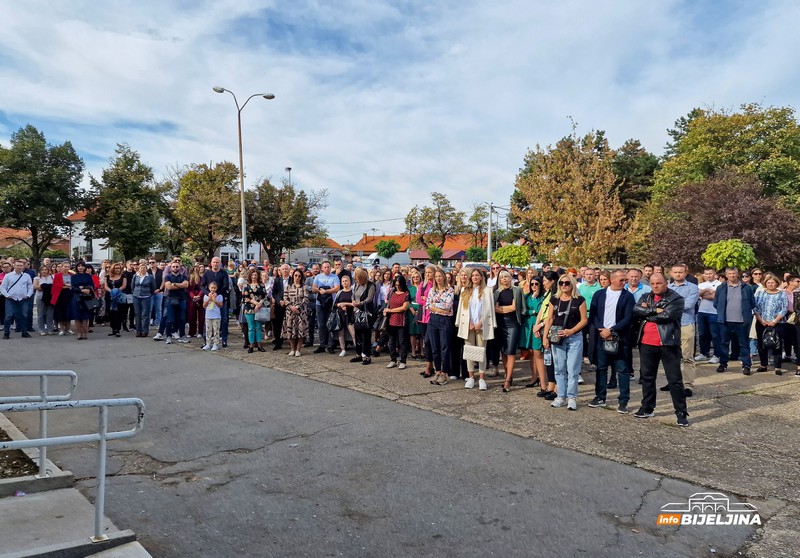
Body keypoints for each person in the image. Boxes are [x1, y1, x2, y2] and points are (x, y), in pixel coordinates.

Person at [632, 273, 689, 427]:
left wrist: (647, 312)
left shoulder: (676, 298)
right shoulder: (645, 295)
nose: (656, 286)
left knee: (674, 380)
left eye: (659, 283)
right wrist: (655, 310)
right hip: (646, 343)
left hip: (667, 343)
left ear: (666, 283)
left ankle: (681, 412)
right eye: (653, 283)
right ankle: (647, 407)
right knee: (647, 377)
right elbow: (636, 310)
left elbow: (668, 316)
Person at [588, 270, 635, 413]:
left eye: (624, 280)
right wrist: (601, 329)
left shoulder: (628, 297)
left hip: (619, 338)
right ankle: (600, 397)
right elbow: (594, 314)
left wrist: (612, 330)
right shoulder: (600, 294)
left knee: (622, 369)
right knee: (601, 368)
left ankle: (623, 401)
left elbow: (628, 317)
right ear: (612, 279)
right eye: (621, 280)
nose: (624, 282)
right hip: (601, 337)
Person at [543, 274, 588, 411]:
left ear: (572, 284)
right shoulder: (554, 299)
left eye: (567, 283)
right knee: (559, 368)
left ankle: (572, 397)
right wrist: (545, 336)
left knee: (572, 369)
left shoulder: (579, 300)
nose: (564, 285)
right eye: (561, 283)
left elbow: (584, 320)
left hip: (574, 337)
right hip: (557, 336)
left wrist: (572, 331)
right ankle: (560, 396)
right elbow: (549, 319)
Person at [456, 267, 496, 390]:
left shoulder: (487, 290)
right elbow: (461, 309)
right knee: (469, 351)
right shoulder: (465, 290)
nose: (475, 277)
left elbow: (489, 309)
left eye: (477, 275)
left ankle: (482, 378)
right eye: (473, 275)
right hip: (468, 325)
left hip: (481, 325)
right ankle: (471, 377)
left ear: (481, 277)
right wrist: (466, 323)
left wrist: (481, 322)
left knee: (481, 351)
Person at [713, 267, 756, 375]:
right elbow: (716, 303)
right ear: (726, 275)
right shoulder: (721, 288)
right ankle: (723, 364)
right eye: (730, 274)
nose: (732, 275)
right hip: (725, 321)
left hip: (742, 321)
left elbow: (752, 303)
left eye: (734, 273)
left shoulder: (746, 288)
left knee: (744, 344)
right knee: (724, 343)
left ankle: (746, 365)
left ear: (737, 274)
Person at [666, 264, 699, 396]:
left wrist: (669, 305)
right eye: (675, 272)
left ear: (686, 273)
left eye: (680, 272)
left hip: (686, 324)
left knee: (687, 356)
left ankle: (688, 385)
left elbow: (688, 304)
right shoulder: (667, 287)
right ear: (671, 273)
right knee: (670, 356)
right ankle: (673, 382)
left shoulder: (693, 288)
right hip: (669, 325)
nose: (678, 274)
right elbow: (661, 303)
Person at [494, 270, 523, 393]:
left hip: (512, 324)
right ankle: (508, 376)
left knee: (511, 352)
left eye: (506, 277)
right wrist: (506, 308)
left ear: (511, 278)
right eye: (502, 277)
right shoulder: (497, 292)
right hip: (500, 324)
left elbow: (515, 307)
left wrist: (502, 308)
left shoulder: (517, 290)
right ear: (499, 280)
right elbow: (495, 309)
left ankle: (507, 381)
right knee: (504, 352)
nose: (504, 279)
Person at [753, 272, 788, 375]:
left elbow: (784, 309)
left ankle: (777, 366)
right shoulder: (760, 293)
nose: (770, 284)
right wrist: (761, 320)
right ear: (765, 283)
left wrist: (774, 321)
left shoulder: (782, 294)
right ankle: (763, 364)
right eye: (768, 283)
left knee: (776, 344)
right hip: (762, 322)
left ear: (776, 283)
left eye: (772, 283)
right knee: (761, 344)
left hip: (777, 323)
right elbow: (755, 307)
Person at [426, 267, 455, 386]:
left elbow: (448, 306)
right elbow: (428, 305)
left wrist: (435, 306)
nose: (438, 278)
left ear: (444, 277)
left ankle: (444, 372)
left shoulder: (450, 290)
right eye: (436, 276)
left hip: (445, 320)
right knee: (434, 347)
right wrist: (439, 308)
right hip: (433, 320)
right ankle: (437, 371)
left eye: (439, 276)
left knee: (445, 347)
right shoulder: (432, 291)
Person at [535, 270, 560, 400]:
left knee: (556, 359)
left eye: (545, 281)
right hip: (544, 328)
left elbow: (553, 316)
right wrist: (536, 324)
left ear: (552, 281)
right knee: (548, 359)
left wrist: (541, 325)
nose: (543, 283)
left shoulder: (557, 295)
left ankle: (557, 387)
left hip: (553, 329)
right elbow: (541, 311)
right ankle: (550, 385)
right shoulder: (547, 294)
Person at [519, 276, 546, 390]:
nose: (534, 286)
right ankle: (534, 376)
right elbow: (523, 310)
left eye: (536, 284)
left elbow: (541, 310)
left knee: (538, 352)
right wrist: (531, 311)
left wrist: (535, 304)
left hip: (538, 324)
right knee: (530, 352)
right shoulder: (527, 296)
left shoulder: (543, 297)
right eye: (532, 284)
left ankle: (543, 378)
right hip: (528, 325)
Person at [202, 257, 231, 348]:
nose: (215, 264)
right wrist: (208, 293)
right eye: (214, 262)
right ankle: (207, 342)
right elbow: (202, 286)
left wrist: (216, 293)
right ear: (211, 263)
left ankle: (224, 340)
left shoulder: (224, 273)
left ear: (220, 263)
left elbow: (226, 285)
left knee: (224, 320)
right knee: (208, 321)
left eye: (217, 262)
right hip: (209, 299)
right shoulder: (207, 273)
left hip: (220, 298)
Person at [312, 261, 341, 354]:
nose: (327, 269)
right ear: (322, 268)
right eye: (325, 267)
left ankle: (330, 345)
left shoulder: (335, 277)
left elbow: (337, 288)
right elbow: (313, 289)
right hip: (319, 304)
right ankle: (321, 345)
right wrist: (320, 290)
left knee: (330, 324)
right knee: (321, 325)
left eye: (328, 267)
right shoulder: (318, 277)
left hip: (330, 304)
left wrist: (326, 291)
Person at [383, 274, 411, 369]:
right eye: (396, 285)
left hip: (401, 320)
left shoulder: (406, 293)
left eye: (399, 285)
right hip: (391, 320)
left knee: (402, 341)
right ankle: (393, 359)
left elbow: (404, 307)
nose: (398, 286)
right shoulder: (392, 292)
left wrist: (390, 310)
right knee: (391, 341)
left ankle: (403, 360)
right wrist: (386, 311)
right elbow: (388, 304)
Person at [1, 260, 34, 339]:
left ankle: (24, 332)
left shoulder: (27, 276)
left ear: (23, 267)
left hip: (23, 299)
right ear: (14, 266)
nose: (19, 267)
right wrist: (7, 295)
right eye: (17, 265)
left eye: (21, 266)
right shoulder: (8, 276)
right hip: (11, 299)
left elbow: (30, 287)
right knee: (8, 316)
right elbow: (2, 287)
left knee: (24, 315)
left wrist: (28, 295)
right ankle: (6, 333)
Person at [696, 267, 722, 364]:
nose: (708, 275)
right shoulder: (702, 285)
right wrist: (706, 290)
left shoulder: (720, 285)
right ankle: (703, 353)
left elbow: (714, 296)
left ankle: (716, 355)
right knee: (702, 333)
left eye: (710, 273)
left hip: (714, 312)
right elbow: (698, 295)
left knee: (715, 335)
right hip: (702, 311)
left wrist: (703, 295)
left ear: (714, 274)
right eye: (706, 274)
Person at [351, 267, 377, 365]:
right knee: (357, 335)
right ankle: (358, 354)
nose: (356, 280)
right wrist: (353, 302)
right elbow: (353, 295)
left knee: (366, 336)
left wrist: (360, 303)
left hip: (366, 313)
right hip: (356, 312)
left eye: (357, 278)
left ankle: (367, 356)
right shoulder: (355, 285)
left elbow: (370, 298)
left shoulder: (370, 285)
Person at [281, 269, 309, 357]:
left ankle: (298, 349)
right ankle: (292, 349)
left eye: (299, 276)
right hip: (290, 312)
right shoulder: (288, 287)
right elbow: (285, 299)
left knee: (300, 330)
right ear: (293, 276)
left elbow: (306, 299)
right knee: (291, 330)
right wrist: (291, 307)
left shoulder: (304, 287)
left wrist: (297, 307)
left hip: (301, 312)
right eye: (295, 275)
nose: (297, 277)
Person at [416, 265, 436, 377]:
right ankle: (429, 365)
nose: (427, 274)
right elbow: (418, 299)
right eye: (426, 273)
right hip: (423, 317)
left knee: (430, 341)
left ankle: (430, 366)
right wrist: (426, 299)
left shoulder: (435, 285)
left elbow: (435, 300)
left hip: (432, 317)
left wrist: (426, 299)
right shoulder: (422, 285)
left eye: (430, 272)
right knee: (426, 342)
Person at [163, 260, 189, 345]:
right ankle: (168, 336)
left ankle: (182, 335)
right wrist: (179, 285)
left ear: (180, 267)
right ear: (170, 268)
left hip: (181, 299)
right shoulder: (167, 277)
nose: (175, 268)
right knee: (170, 319)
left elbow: (186, 285)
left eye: (177, 266)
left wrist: (174, 284)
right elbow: (168, 287)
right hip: (170, 300)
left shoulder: (184, 276)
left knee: (182, 319)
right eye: (173, 266)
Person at [242, 268, 267, 353]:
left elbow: (265, 296)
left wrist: (260, 303)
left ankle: (259, 344)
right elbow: (246, 298)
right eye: (252, 275)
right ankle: (251, 345)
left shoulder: (262, 285)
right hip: (249, 309)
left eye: (255, 275)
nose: (254, 277)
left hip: (259, 309)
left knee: (258, 327)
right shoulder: (246, 285)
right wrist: (256, 303)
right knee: (251, 328)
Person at [70, 261, 95, 340]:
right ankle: (79, 333)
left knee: (85, 316)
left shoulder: (88, 276)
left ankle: (85, 332)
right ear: (77, 267)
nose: (80, 267)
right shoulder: (74, 276)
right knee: (77, 316)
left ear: (85, 267)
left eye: (82, 266)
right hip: (76, 297)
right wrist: (81, 290)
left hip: (86, 297)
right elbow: (73, 287)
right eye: (79, 266)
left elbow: (92, 286)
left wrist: (84, 288)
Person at [334, 274, 356, 357]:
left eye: (346, 281)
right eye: (343, 281)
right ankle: (343, 349)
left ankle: (358, 348)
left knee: (353, 334)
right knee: (341, 333)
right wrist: (339, 305)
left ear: (350, 282)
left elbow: (354, 303)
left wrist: (346, 304)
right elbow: (335, 304)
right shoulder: (340, 292)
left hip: (350, 315)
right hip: (341, 315)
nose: (344, 283)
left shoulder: (353, 292)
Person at [131, 262, 156, 337]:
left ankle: (145, 331)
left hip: (146, 297)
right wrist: (135, 293)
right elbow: (132, 286)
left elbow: (153, 287)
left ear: (146, 269)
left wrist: (148, 293)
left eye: (144, 268)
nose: (142, 269)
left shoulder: (150, 277)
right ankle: (138, 331)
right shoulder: (135, 276)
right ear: (139, 269)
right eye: (141, 268)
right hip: (136, 296)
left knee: (145, 314)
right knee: (137, 314)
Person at [104, 263, 127, 337]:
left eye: (119, 268)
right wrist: (111, 291)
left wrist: (116, 291)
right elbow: (105, 286)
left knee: (118, 313)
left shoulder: (123, 276)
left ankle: (117, 329)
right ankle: (113, 329)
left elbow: (124, 285)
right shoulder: (107, 276)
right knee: (110, 313)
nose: (117, 270)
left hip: (119, 296)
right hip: (109, 296)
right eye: (116, 268)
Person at [271, 264, 291, 351]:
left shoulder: (293, 280)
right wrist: (279, 301)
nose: (285, 271)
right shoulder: (277, 280)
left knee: (290, 324)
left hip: (290, 304)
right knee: (277, 324)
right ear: (280, 271)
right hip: (279, 305)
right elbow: (274, 293)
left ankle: (291, 342)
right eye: (283, 269)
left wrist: (288, 302)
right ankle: (278, 342)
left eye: (286, 269)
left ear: (289, 270)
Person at [202, 282, 224, 351]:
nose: (213, 289)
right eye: (212, 288)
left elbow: (221, 305)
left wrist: (215, 301)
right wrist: (209, 299)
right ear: (209, 288)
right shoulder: (206, 296)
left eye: (214, 288)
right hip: (208, 315)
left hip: (216, 315)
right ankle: (208, 344)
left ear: (216, 288)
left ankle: (216, 344)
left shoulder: (219, 296)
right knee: (208, 330)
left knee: (216, 330)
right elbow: (204, 306)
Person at [34, 265, 55, 335]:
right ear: (40, 271)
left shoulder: (52, 277)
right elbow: (36, 287)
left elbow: (54, 286)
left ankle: (50, 328)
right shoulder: (37, 278)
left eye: (46, 269)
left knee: (50, 314)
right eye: (42, 270)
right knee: (41, 314)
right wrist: (47, 287)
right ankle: (41, 329)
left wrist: (44, 287)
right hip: (40, 297)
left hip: (50, 297)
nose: (44, 271)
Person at [407, 268, 423, 359]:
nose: (416, 278)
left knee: (421, 332)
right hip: (411, 311)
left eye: (417, 277)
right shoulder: (410, 288)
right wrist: (412, 310)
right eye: (414, 277)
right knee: (412, 332)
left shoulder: (423, 287)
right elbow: (407, 300)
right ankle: (413, 351)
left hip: (422, 310)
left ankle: (422, 351)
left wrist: (420, 310)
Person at [187, 265, 205, 339]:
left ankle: (200, 332)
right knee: (191, 316)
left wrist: (199, 296)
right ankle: (191, 332)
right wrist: (193, 296)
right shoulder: (189, 278)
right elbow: (188, 289)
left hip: (200, 299)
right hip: (192, 299)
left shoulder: (202, 278)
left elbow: (203, 288)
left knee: (201, 317)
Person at [304, 263, 319, 347]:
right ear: (312, 270)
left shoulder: (321, 278)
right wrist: (316, 289)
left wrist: (312, 289)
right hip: (311, 302)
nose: (315, 270)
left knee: (320, 322)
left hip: (320, 302)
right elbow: (306, 287)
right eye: (314, 269)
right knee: (310, 322)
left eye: (317, 268)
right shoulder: (308, 279)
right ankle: (310, 340)